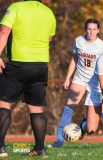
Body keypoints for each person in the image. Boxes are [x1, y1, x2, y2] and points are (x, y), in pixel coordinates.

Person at [47, 18, 103, 149]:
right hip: (79, 79)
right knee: (68, 109)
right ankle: (58, 141)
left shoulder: (102, 46)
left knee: (98, 120)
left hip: (95, 82)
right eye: (89, 29)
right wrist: (68, 78)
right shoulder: (78, 41)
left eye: (94, 29)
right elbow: (74, 60)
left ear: (98, 30)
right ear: (85, 29)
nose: (91, 32)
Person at [0, 0, 56, 158]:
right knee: (36, 108)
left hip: (18, 63)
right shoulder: (49, 12)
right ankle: (40, 148)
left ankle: (0, 148)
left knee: (3, 102)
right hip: (40, 66)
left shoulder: (16, 7)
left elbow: (3, 32)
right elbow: (49, 38)